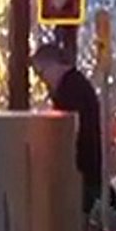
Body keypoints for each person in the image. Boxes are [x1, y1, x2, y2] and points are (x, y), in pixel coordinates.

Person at [32, 43, 103, 215]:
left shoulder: (69, 90)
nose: (44, 80)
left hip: (77, 174)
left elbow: (67, 133)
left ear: (52, 65)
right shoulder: (78, 84)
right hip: (85, 171)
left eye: (42, 73)